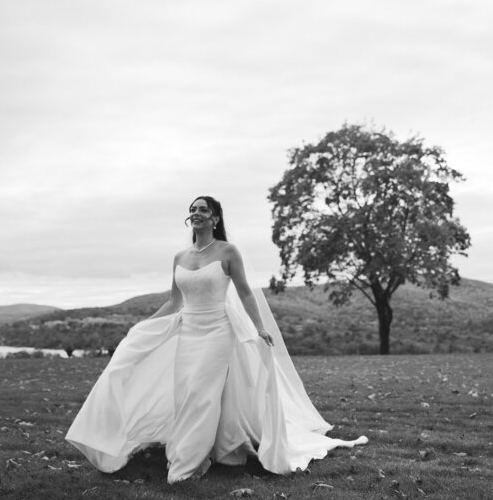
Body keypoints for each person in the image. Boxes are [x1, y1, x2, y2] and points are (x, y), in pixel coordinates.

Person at [66, 195, 367, 483]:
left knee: (202, 394)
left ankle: (187, 463)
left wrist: (260, 327)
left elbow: (245, 292)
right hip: (188, 332)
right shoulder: (180, 257)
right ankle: (200, 451)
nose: (196, 213)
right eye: (193, 209)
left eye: (203, 209)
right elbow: (174, 302)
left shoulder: (228, 252)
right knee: (185, 394)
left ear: (215, 218)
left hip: (218, 331)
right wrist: (144, 326)